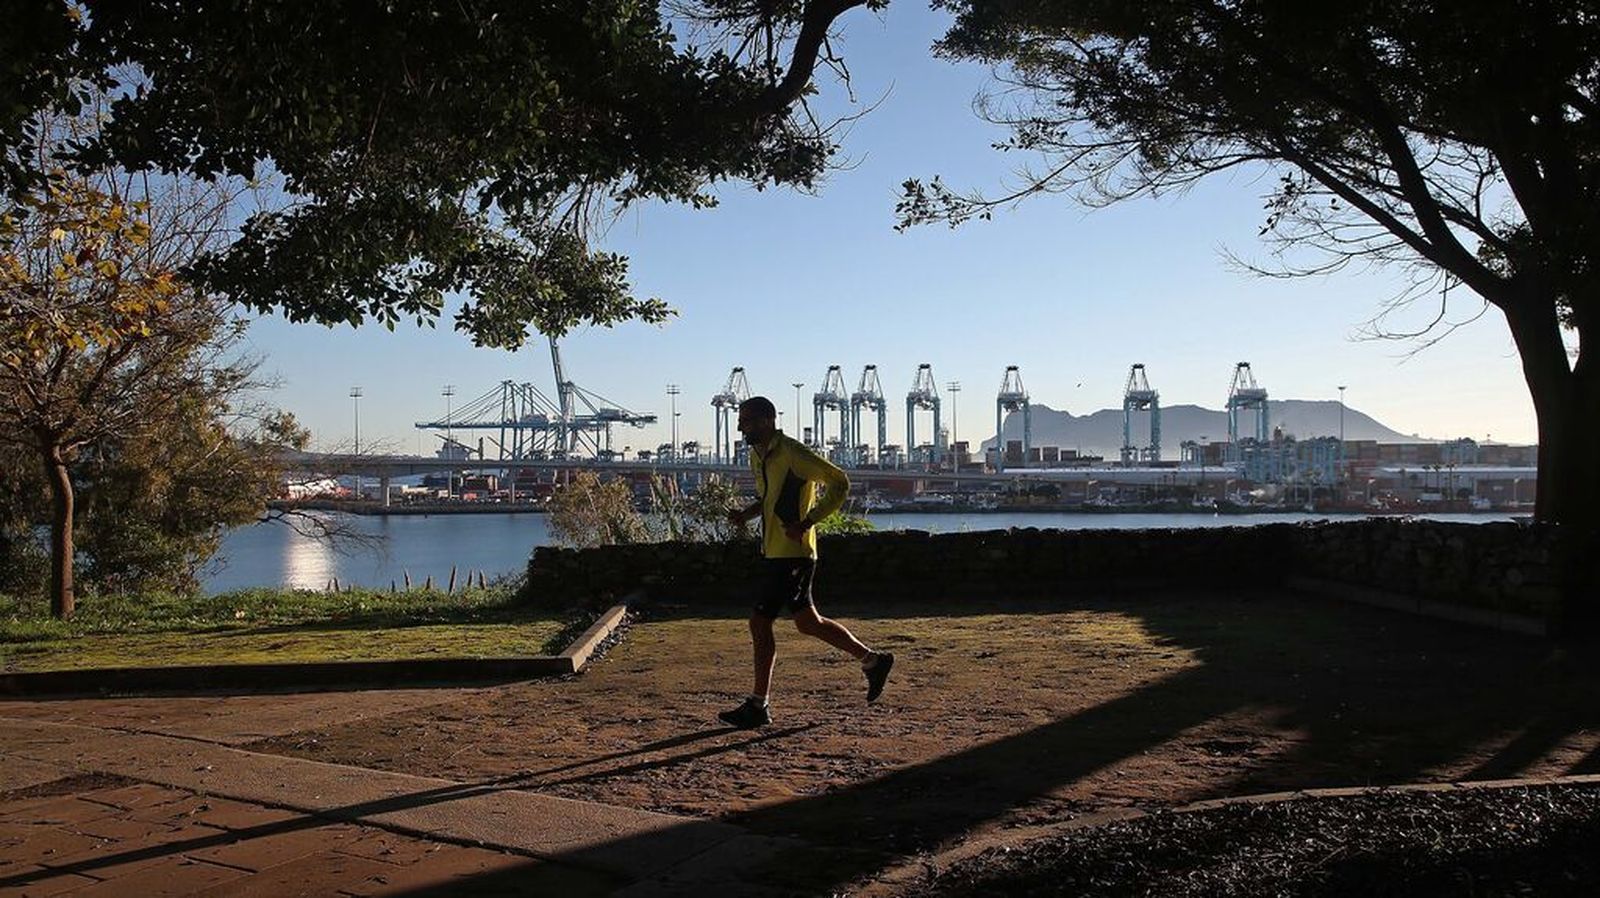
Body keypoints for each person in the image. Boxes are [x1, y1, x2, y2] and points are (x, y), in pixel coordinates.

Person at [718, 396, 894, 729]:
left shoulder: (793, 453)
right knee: (806, 623)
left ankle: (758, 705)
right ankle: (873, 661)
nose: (741, 426)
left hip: (794, 554)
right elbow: (770, 500)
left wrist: (809, 521)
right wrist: (747, 514)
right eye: (741, 420)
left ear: (768, 420)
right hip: (774, 552)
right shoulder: (759, 456)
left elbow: (840, 483)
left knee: (761, 622)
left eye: (748, 420)